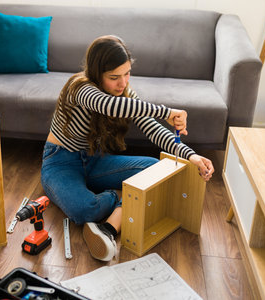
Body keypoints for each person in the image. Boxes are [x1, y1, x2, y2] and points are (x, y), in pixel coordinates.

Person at [41, 35, 214, 261]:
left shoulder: (123, 91)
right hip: (60, 162)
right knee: (84, 210)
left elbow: (153, 129)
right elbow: (111, 106)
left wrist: (191, 155)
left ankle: (111, 225)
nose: (123, 84)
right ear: (96, 73)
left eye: (127, 73)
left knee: (155, 169)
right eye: (114, 77)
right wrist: (167, 112)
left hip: (94, 160)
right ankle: (117, 196)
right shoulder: (79, 88)